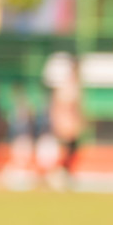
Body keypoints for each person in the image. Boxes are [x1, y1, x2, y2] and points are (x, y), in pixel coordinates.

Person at [48, 54, 83, 186]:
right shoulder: (67, 83)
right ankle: (58, 174)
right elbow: (62, 106)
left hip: (71, 124)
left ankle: (65, 173)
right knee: (65, 150)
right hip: (66, 124)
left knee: (72, 150)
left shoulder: (75, 83)